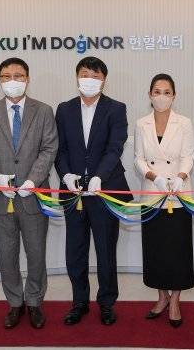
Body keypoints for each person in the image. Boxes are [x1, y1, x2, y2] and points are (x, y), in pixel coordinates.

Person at [0, 57, 58, 329]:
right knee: (6, 254)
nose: (13, 81)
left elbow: (49, 148)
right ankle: (14, 303)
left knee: (36, 254)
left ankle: (34, 302)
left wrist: (33, 180)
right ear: (0, 79)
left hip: (34, 196)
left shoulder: (43, 111)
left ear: (27, 79)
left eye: (18, 75)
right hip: (2, 198)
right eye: (6, 76)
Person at [55, 56, 133, 326]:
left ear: (104, 80)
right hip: (73, 193)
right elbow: (60, 149)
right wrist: (65, 174)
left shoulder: (116, 108)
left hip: (105, 191)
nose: (89, 79)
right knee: (75, 251)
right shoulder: (64, 109)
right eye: (85, 74)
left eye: (95, 75)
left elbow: (115, 147)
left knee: (105, 250)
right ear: (77, 77)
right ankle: (79, 302)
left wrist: (99, 176)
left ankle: (107, 303)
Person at [134, 73, 194, 328]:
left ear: (174, 96)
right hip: (152, 193)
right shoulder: (141, 124)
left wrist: (180, 177)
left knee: (178, 249)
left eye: (167, 92)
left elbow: (188, 156)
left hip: (178, 194)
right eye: (157, 92)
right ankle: (161, 297)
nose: (162, 96)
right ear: (150, 95)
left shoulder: (185, 123)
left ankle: (176, 300)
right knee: (155, 249)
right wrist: (154, 177)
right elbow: (138, 158)